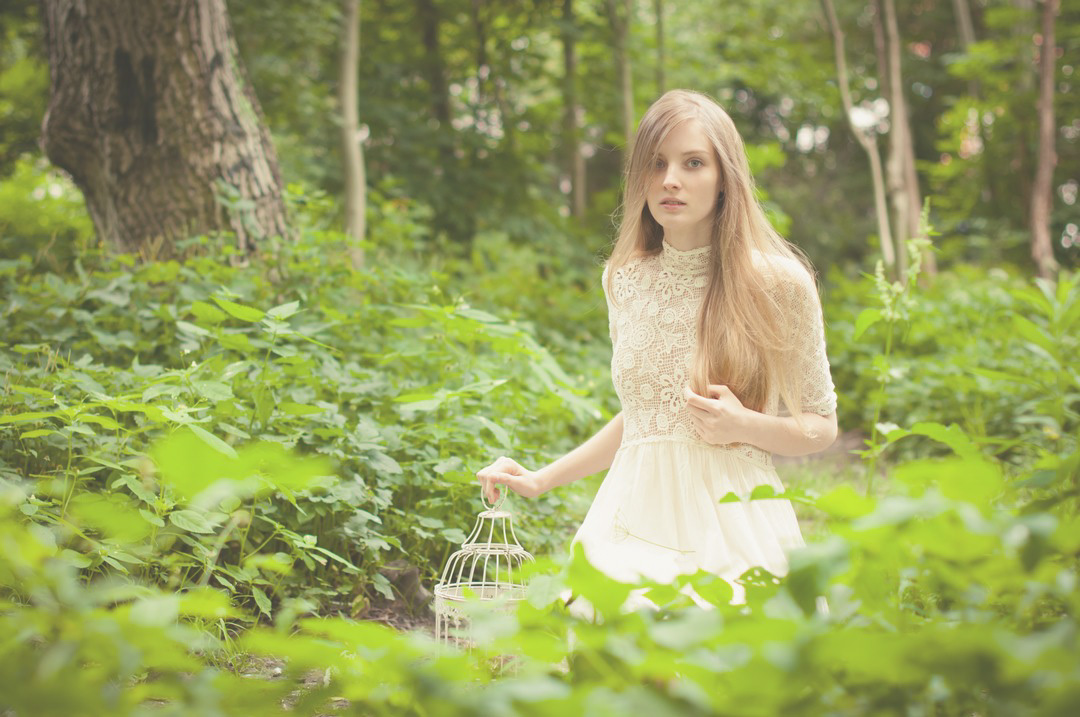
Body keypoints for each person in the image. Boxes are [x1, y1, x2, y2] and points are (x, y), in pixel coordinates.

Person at [476, 89, 838, 606]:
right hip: (632, 516)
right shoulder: (622, 279)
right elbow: (645, 417)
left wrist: (745, 426)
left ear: (724, 177)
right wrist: (539, 479)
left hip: (731, 519)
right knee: (616, 660)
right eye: (657, 163)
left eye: (693, 163)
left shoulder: (778, 284)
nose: (671, 179)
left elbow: (821, 427)